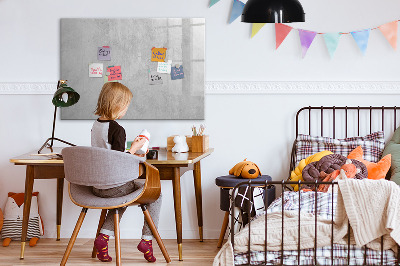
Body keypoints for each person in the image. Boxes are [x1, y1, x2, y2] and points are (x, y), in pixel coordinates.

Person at [91, 82, 162, 263]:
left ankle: (103, 238)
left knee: (121, 198)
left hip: (97, 186)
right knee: (156, 194)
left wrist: (132, 150)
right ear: (117, 105)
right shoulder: (117, 129)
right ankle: (147, 240)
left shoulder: (96, 125)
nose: (126, 110)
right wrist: (136, 148)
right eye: (126, 105)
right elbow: (119, 161)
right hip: (114, 186)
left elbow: (108, 154)